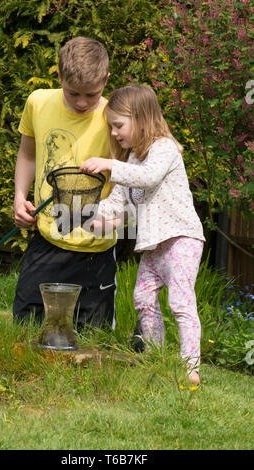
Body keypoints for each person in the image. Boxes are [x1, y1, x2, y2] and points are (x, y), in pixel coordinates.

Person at [80, 85, 205, 384]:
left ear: (141, 119)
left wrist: (109, 165)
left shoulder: (164, 149)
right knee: (143, 298)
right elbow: (117, 203)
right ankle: (156, 356)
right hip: (154, 247)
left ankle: (192, 369)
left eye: (118, 125)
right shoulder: (132, 161)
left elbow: (147, 179)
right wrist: (92, 220)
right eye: (111, 127)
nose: (113, 133)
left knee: (180, 302)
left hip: (180, 240)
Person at [13, 36, 117, 330]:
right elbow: (28, 154)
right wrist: (20, 198)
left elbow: (130, 173)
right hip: (47, 239)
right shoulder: (38, 102)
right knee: (26, 325)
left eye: (92, 95)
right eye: (73, 94)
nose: (83, 102)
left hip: (95, 248)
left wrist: (117, 215)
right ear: (59, 76)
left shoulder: (116, 116)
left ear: (106, 80)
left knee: (92, 337)